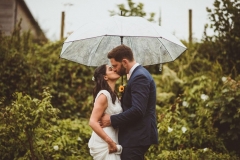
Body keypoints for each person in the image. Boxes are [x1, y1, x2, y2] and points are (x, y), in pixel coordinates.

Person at [100, 44, 159, 160]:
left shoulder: (139, 77)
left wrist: (111, 120)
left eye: (115, 66)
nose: (115, 69)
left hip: (136, 136)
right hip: (136, 135)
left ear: (125, 62)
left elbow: (138, 110)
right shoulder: (136, 75)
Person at [88, 64, 123, 160]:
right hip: (105, 142)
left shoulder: (114, 96)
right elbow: (92, 122)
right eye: (111, 69)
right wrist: (110, 142)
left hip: (114, 138)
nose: (115, 70)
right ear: (105, 77)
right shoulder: (104, 95)